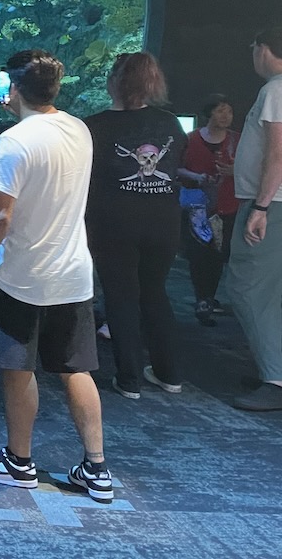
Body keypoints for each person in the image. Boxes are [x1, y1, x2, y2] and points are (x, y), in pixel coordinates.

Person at [0, 50, 113, 503]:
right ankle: (97, 467)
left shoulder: (14, 141)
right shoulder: (79, 130)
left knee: (17, 367)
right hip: (72, 274)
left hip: (21, 276)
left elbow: (1, 216)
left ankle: (18, 461)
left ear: (11, 89)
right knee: (76, 367)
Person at [83, 53, 187, 399]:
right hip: (164, 222)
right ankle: (169, 373)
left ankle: (129, 380)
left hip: (113, 223)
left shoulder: (94, 126)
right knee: (155, 292)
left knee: (121, 296)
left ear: (114, 80)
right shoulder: (170, 124)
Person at [227, 27, 282, 411]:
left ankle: (275, 376)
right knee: (270, 290)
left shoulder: (276, 90)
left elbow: (277, 154)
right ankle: (272, 365)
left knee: (246, 284)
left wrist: (260, 207)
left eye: (253, 46)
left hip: (272, 204)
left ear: (263, 48)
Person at [176, 94, 239, 325]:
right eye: (221, 110)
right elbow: (177, 168)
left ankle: (210, 297)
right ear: (209, 113)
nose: (226, 116)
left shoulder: (237, 140)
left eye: (229, 111)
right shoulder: (190, 139)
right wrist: (197, 177)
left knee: (220, 255)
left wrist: (235, 171)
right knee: (200, 254)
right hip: (198, 206)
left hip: (228, 205)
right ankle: (202, 298)